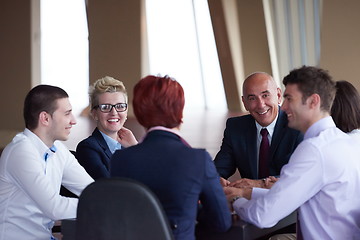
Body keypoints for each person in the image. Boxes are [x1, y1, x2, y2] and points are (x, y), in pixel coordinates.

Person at [225, 66, 360, 239]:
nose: (283, 107)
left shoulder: (314, 150)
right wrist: (244, 193)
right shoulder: (345, 141)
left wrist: (236, 201)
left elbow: (262, 216)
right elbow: (294, 193)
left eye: (289, 99)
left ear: (313, 102)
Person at [110, 75, 231, 240]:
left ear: (139, 114)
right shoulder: (197, 159)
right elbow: (221, 222)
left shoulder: (120, 159)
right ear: (179, 109)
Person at [0, 85, 94, 240]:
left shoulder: (58, 150)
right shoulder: (20, 152)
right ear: (45, 118)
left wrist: (110, 200)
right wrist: (99, 205)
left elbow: (90, 190)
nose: (73, 121)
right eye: (67, 113)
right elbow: (54, 207)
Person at [214, 72, 303, 188]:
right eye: (252, 98)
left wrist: (258, 184)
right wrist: (216, 179)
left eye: (265, 95)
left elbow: (299, 176)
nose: (260, 105)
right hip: (249, 202)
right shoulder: (235, 127)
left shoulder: (298, 127)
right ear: (244, 103)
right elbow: (219, 168)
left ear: (279, 95)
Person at [76, 76, 137, 179]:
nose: (114, 113)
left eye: (120, 106)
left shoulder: (131, 145)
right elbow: (109, 186)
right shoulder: (88, 148)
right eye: (105, 107)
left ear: (126, 112)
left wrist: (135, 148)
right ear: (94, 113)